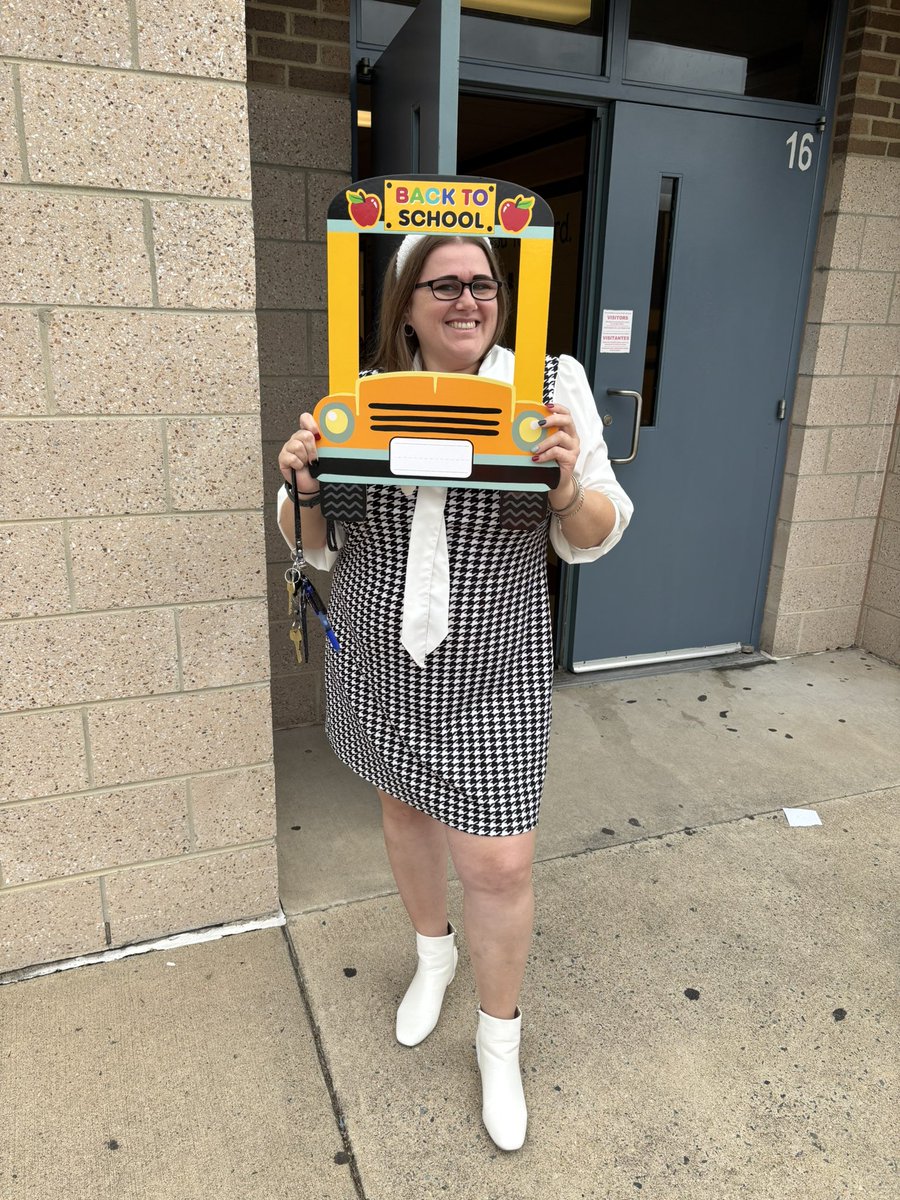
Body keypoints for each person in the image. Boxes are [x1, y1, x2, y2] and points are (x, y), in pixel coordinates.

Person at [277, 233, 632, 1151]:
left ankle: (498, 1041)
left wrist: (560, 487)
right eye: (444, 284)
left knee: (500, 863)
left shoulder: (549, 389)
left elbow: (597, 529)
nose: (468, 300)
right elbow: (316, 539)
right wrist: (302, 481)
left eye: (483, 283)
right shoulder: (361, 394)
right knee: (403, 813)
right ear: (405, 305)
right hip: (384, 658)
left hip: (498, 663)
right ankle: (434, 957)